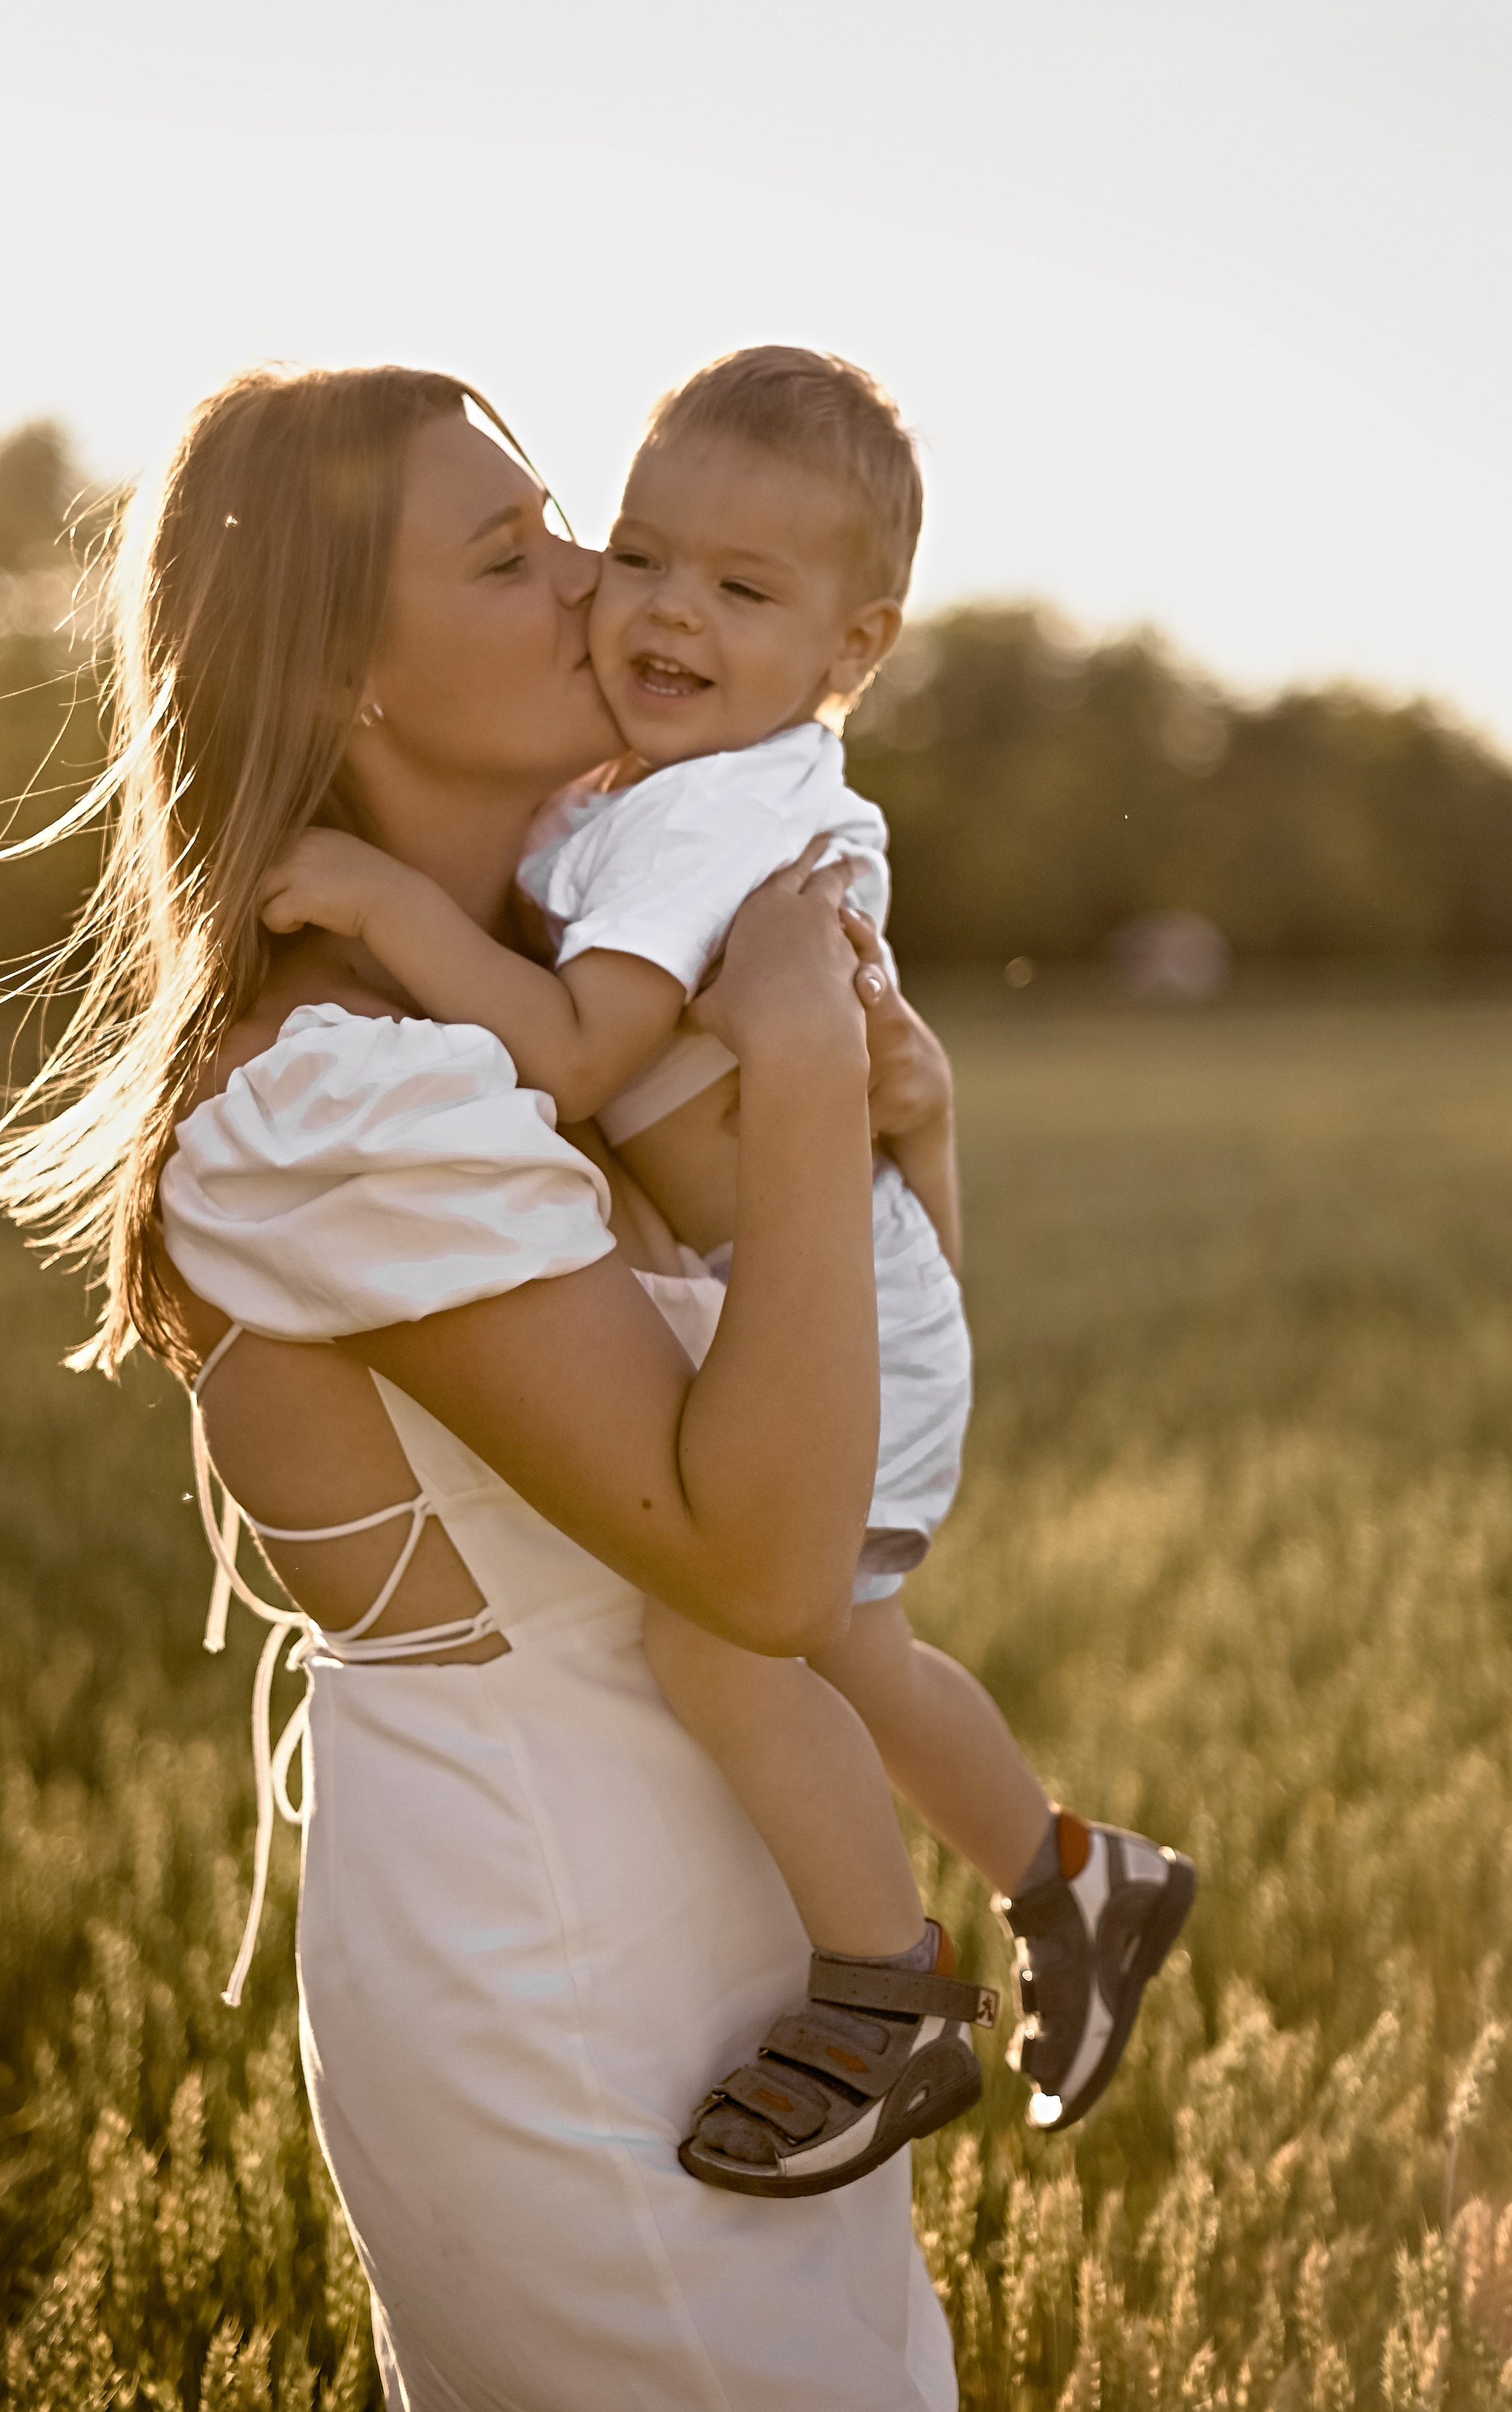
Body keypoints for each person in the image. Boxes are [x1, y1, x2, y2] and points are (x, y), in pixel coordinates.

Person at [0, 363, 962, 2408]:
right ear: (344, 682)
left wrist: (893, 1130)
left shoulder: (558, 1006)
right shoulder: (340, 1090)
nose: (604, 580)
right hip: (563, 1953)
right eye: (518, 555)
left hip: (748, 1938)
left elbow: (870, 1462)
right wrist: (807, 1091)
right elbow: (767, 1578)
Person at [255, 347, 1194, 2195]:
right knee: (842, 1637)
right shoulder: (654, 783)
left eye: (741, 592)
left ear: (853, 649)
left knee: (740, 1622)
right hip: (819, 1262)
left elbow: (585, 1060)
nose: (659, 608)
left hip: (830, 1286)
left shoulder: (703, 812)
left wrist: (384, 908)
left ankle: (890, 1982)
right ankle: (1072, 1879)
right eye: (643, 550)